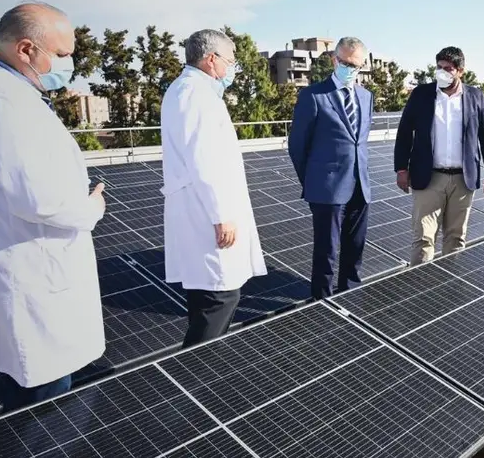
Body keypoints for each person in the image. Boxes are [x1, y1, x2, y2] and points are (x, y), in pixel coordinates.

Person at [0, 2, 107, 410]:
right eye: (63, 54)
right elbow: (39, 199)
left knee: (39, 383)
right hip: (33, 271)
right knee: (45, 402)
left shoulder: (5, 96)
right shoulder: (1, 103)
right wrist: (91, 208)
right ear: (27, 49)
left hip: (29, 261)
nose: (70, 63)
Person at [160, 29, 267, 348]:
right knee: (220, 298)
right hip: (207, 216)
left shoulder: (187, 91)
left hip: (200, 211)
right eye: (230, 61)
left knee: (208, 298)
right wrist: (222, 216)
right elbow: (203, 160)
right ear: (212, 59)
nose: (231, 69)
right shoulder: (195, 95)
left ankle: (196, 374)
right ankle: (195, 374)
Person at [394, 46, 484, 265]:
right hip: (428, 177)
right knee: (423, 238)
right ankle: (421, 287)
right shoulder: (422, 95)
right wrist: (401, 169)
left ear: (460, 71)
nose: (442, 72)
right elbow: (404, 133)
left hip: (463, 179)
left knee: (456, 237)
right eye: (439, 67)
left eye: (448, 68)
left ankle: (448, 287)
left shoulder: (475, 96)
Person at [289, 37, 373, 300]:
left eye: (355, 65)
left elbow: (360, 141)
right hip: (327, 190)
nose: (350, 68)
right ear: (334, 60)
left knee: (355, 248)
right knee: (327, 252)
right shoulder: (313, 96)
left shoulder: (366, 96)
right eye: (345, 62)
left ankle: (349, 295)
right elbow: (297, 147)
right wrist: (315, 183)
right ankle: (322, 302)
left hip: (360, 184)